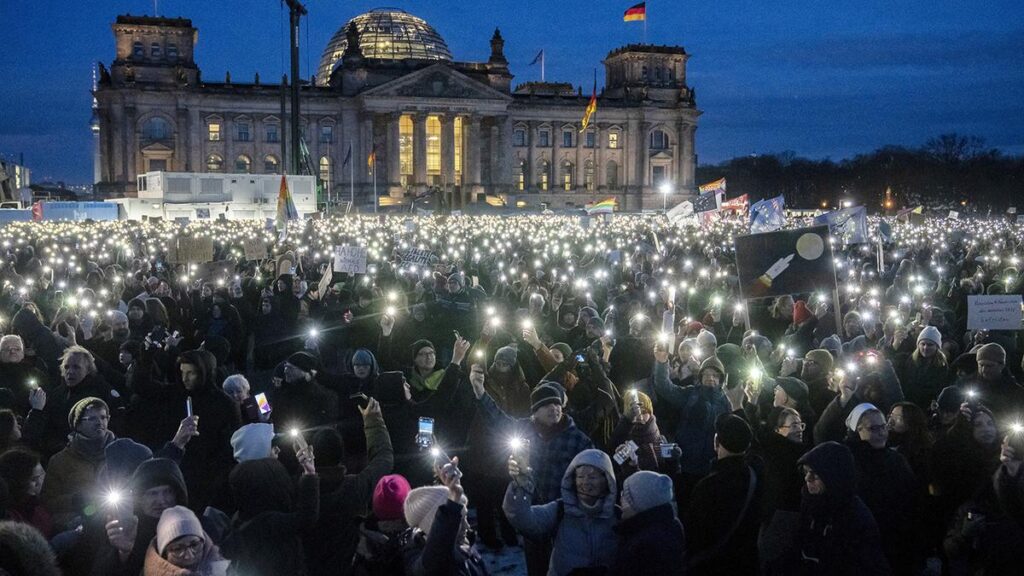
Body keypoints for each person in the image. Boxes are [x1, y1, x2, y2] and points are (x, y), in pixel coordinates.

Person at [471, 377, 593, 576]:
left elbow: (594, 470)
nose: (553, 408)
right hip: (532, 511)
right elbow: (498, 419)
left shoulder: (577, 438)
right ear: (535, 411)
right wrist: (480, 393)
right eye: (546, 405)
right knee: (536, 563)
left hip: (565, 514)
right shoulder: (525, 430)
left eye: (556, 403)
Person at [305, 398, 395, 576]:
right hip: (343, 567)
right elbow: (384, 458)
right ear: (341, 455)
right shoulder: (353, 487)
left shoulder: (300, 490)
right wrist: (374, 422)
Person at [776, 441, 890, 575]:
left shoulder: (855, 518)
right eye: (806, 472)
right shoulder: (809, 502)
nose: (808, 478)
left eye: (815, 473)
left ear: (834, 477)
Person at [503, 449, 618, 576]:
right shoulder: (560, 510)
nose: (585, 482)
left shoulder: (618, 516)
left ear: (607, 480)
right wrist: (522, 484)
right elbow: (522, 518)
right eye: (580, 476)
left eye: (592, 477)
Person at [843, 403, 917, 574]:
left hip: (896, 541)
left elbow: (911, 499)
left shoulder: (896, 459)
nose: (882, 432)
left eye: (883, 426)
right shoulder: (847, 459)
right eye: (873, 428)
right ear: (857, 430)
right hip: (861, 543)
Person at [651, 342, 731, 500]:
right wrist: (661, 362)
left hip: (710, 467)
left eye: (715, 375)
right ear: (700, 377)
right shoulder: (691, 394)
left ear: (721, 379)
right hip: (684, 463)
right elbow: (665, 387)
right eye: (706, 374)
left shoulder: (726, 402)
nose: (710, 378)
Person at [684, 414, 761, 576]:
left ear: (716, 442)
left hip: (714, 566)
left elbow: (695, 536)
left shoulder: (708, 487)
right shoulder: (754, 476)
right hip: (746, 563)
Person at [92, 457, 191, 576]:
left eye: (168, 492)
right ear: (139, 499)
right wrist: (124, 553)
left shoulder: (197, 527)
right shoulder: (124, 530)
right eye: (152, 494)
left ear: (177, 494)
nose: (161, 500)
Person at [22, 346, 120, 457]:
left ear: (88, 370)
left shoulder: (102, 393)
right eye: (66, 367)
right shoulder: (56, 394)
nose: (70, 372)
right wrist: (37, 410)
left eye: (76, 367)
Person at [403, 457, 488, 576]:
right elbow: (440, 546)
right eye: (458, 520)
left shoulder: (464, 547)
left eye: (464, 518)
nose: (468, 526)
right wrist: (451, 507)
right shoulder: (425, 564)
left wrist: (456, 490)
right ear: (434, 523)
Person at [610, 471, 684, 576]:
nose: (621, 499)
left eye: (625, 496)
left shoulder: (646, 545)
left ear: (640, 503)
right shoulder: (669, 525)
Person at [143, 505, 225, 576]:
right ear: (164, 554)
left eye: (194, 545)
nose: (189, 556)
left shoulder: (226, 571)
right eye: (178, 549)